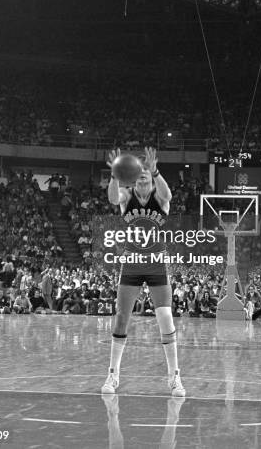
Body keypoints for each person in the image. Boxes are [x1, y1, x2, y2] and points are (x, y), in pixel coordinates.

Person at [101, 147, 185, 397]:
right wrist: (115, 175)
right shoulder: (127, 197)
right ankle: (113, 374)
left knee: (165, 319)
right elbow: (113, 200)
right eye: (139, 175)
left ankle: (174, 377)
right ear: (134, 178)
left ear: (151, 177)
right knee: (121, 318)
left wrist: (155, 170)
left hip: (157, 264)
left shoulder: (160, 199)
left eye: (146, 175)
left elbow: (168, 192)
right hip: (132, 264)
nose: (143, 177)